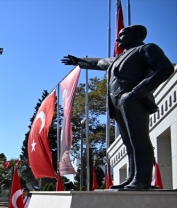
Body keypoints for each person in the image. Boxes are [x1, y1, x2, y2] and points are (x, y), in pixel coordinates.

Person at [62, 24, 174, 190]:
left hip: (134, 99)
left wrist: (136, 92)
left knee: (139, 140)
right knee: (129, 144)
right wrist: (80, 62)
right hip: (117, 104)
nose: (117, 38)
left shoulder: (147, 49)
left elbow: (166, 68)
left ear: (136, 35)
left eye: (122, 35)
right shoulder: (119, 58)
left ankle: (142, 180)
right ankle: (132, 178)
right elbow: (100, 62)